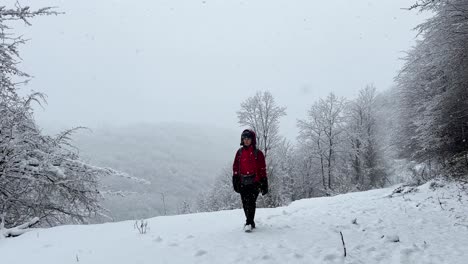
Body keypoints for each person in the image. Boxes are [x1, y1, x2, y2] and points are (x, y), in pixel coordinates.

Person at [232, 129, 268, 231]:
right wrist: (235, 179)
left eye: (248, 138)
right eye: (244, 139)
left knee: (251, 202)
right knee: (244, 203)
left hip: (254, 182)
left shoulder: (258, 153)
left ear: (252, 140)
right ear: (242, 140)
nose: (246, 140)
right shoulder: (239, 153)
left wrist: (264, 182)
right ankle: (250, 221)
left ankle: (248, 222)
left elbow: (262, 169)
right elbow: (235, 167)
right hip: (243, 182)